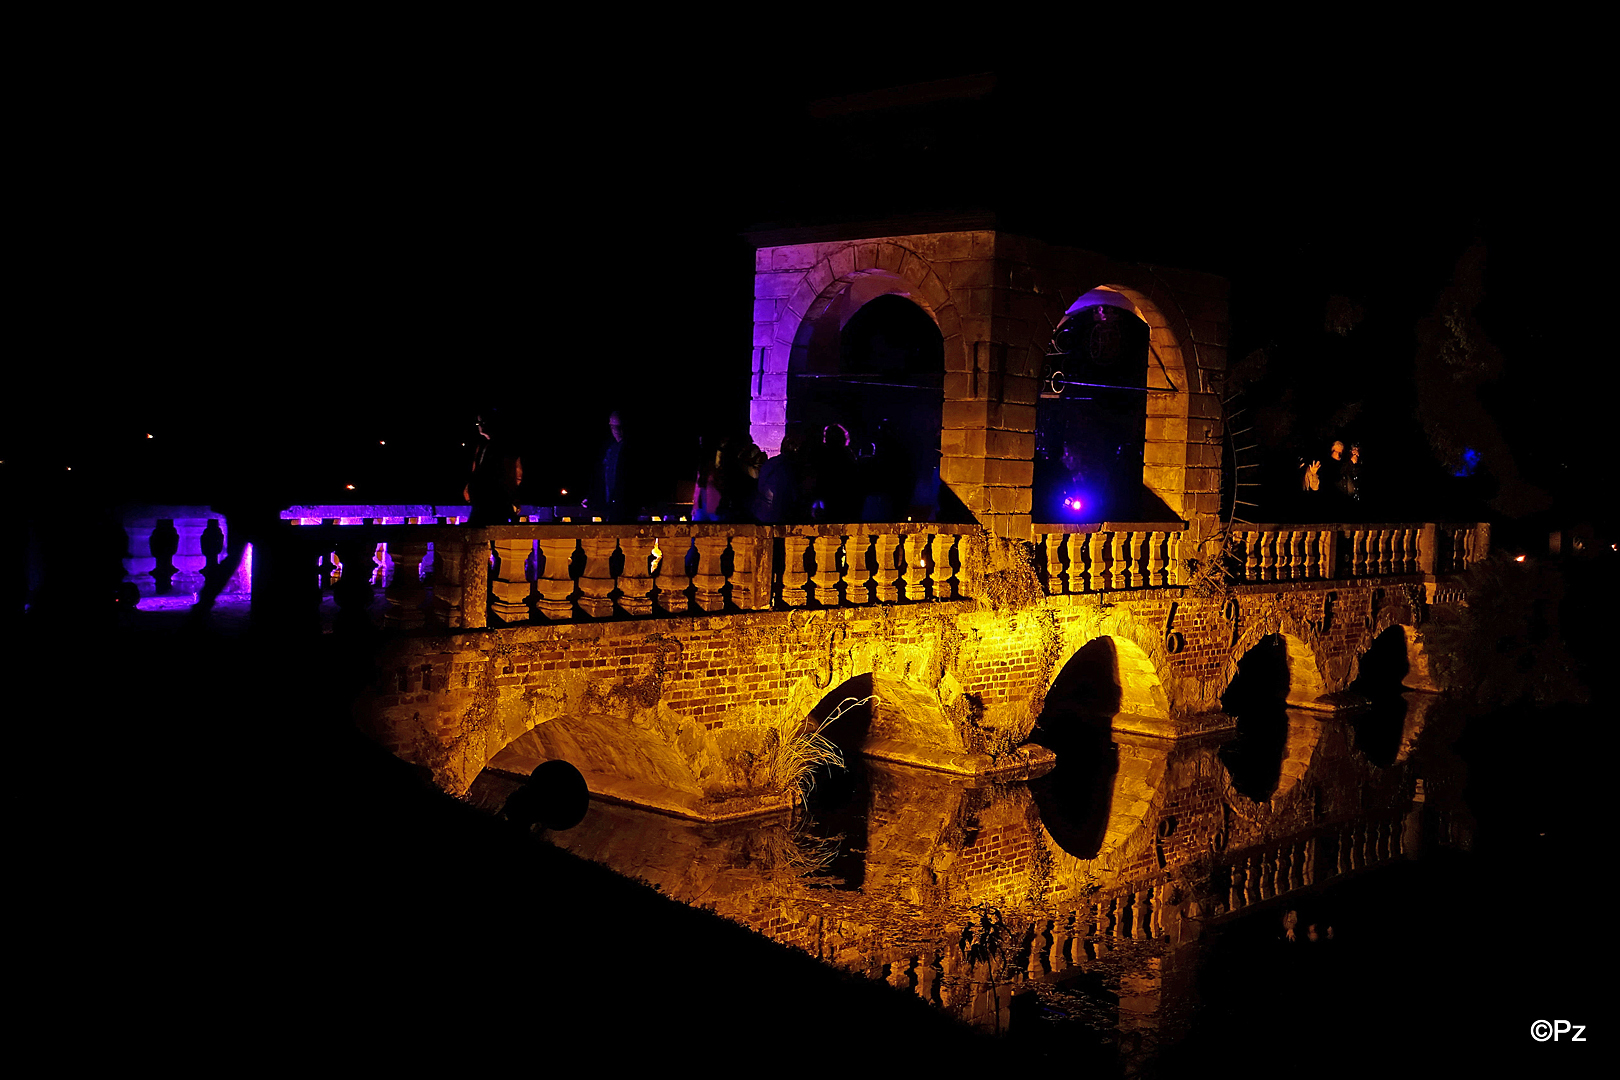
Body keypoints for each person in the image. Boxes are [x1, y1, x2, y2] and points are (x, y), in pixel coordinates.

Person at [465, 412, 522, 525]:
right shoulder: (483, 445)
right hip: (481, 498)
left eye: (483, 422)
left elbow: (511, 473)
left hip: (495, 499)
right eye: (478, 423)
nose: (480, 426)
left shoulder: (503, 446)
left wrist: (510, 496)